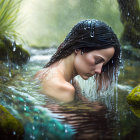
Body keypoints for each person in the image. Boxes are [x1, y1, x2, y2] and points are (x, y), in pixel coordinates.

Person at [35, 19, 121, 103]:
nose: (99, 70)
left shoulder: (43, 73)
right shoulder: (63, 88)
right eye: (97, 60)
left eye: (104, 65)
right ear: (78, 48)